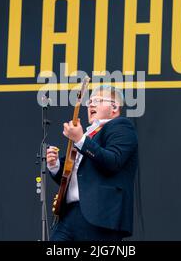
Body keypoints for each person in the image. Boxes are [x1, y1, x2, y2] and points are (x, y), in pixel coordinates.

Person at [47, 84, 138, 241]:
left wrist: (80, 140)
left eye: (98, 100)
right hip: (69, 214)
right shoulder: (88, 133)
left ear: (114, 107)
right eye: (90, 101)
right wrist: (55, 165)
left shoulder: (121, 126)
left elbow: (113, 161)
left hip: (100, 214)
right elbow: (73, 173)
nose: (91, 104)